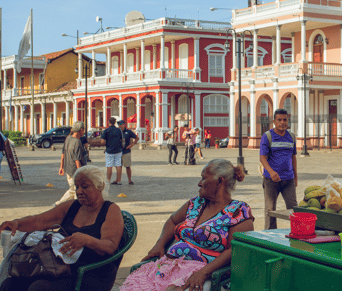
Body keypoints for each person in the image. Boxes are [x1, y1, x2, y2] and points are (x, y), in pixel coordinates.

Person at [123, 159, 252, 291]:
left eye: (203, 178)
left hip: (207, 273)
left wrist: (203, 273)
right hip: (170, 267)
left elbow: (234, 250)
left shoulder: (238, 211)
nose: (199, 183)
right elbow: (172, 221)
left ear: (220, 181)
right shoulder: (195, 203)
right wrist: (159, 244)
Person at [0, 165, 124, 291]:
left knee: (39, 288)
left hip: (89, 272)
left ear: (99, 186)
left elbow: (110, 246)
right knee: (10, 284)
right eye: (77, 187)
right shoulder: (72, 206)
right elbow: (39, 221)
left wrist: (87, 240)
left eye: (84, 186)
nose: (79, 191)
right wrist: (16, 223)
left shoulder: (110, 210)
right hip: (58, 268)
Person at [259, 109, 298, 230]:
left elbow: (293, 158)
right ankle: (270, 235)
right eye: (279, 120)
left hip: (288, 180)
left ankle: (297, 232)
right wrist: (271, 172)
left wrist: (296, 177)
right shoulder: (267, 136)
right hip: (271, 180)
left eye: (285, 119)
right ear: (274, 121)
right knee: (270, 210)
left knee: (293, 208)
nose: (282, 122)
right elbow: (262, 158)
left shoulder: (291, 137)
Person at [57, 122, 89, 206]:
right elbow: (77, 159)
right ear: (80, 130)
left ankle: (60, 204)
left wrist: (61, 167)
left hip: (68, 169)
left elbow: (63, 154)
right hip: (74, 170)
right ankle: (73, 206)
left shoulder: (68, 138)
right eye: (83, 130)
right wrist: (80, 172)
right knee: (76, 190)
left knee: (73, 189)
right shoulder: (77, 142)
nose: (84, 131)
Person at [101, 117, 124, 185]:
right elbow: (121, 139)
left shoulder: (106, 131)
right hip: (118, 150)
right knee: (118, 165)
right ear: (115, 122)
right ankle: (119, 180)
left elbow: (102, 142)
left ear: (108, 122)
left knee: (109, 166)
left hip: (109, 150)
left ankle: (108, 181)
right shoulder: (118, 130)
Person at [119, 120, 138, 185]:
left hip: (126, 151)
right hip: (118, 151)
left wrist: (132, 145)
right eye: (118, 124)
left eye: (121, 124)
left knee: (127, 166)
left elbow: (137, 138)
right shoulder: (117, 132)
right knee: (119, 167)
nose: (120, 125)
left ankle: (129, 180)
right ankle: (118, 180)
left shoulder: (128, 132)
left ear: (124, 124)